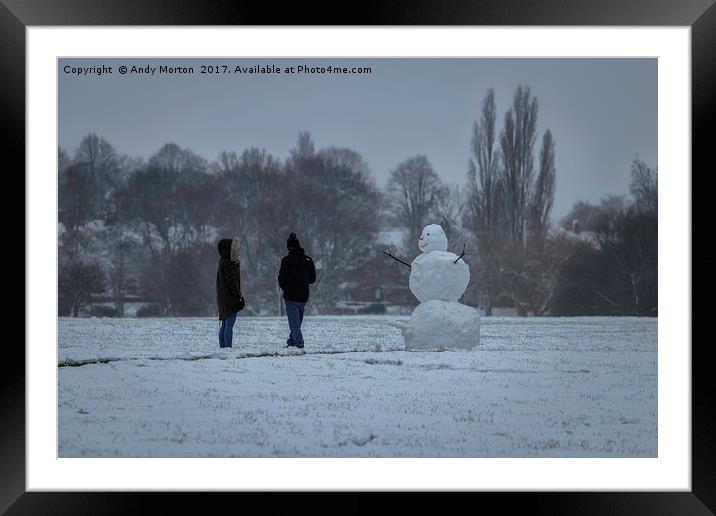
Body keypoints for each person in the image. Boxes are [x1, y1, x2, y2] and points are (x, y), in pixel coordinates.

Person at [278, 232, 316, 349]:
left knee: (294, 322)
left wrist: (285, 287)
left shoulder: (286, 260)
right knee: (297, 321)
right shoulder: (308, 260)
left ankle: (299, 343)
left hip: (290, 295)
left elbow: (281, 278)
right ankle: (291, 341)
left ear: (288, 247)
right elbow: (312, 278)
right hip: (304, 295)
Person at [216, 237, 243, 348]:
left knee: (224, 324)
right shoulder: (229, 263)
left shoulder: (222, 260)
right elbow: (232, 282)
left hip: (222, 298)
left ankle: (223, 348)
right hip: (230, 298)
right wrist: (238, 295)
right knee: (229, 325)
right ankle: (228, 348)